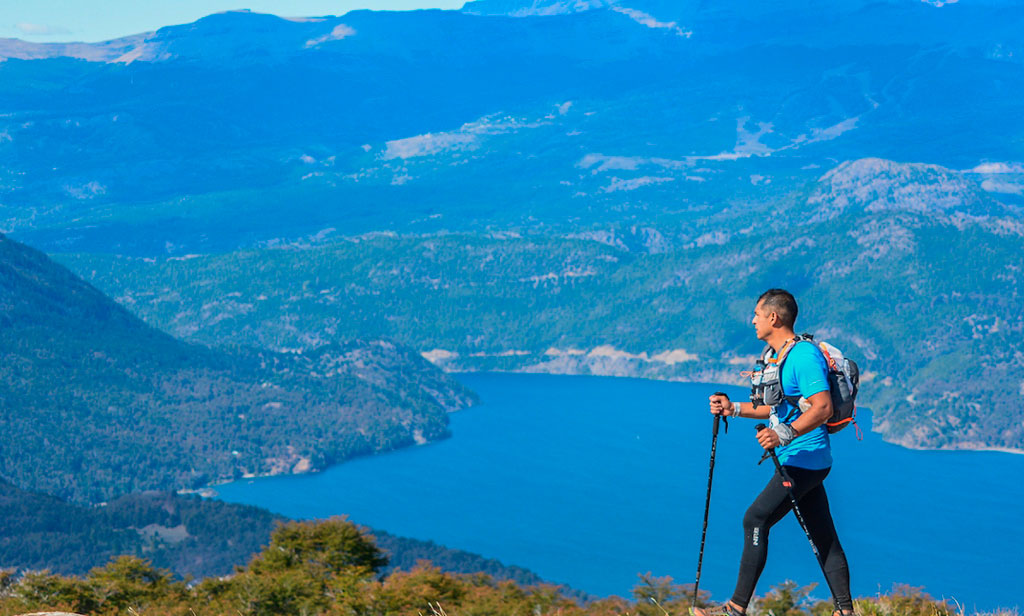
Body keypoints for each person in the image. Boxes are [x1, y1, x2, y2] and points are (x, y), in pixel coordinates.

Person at [700, 289, 854, 616]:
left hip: (804, 459)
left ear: (774, 317)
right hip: (801, 460)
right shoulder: (776, 355)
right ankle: (845, 611)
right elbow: (774, 406)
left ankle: (735, 608)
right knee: (822, 535)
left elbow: (823, 407)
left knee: (755, 518)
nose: (752, 320)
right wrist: (733, 409)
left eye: (757, 314)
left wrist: (783, 433)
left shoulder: (802, 356)